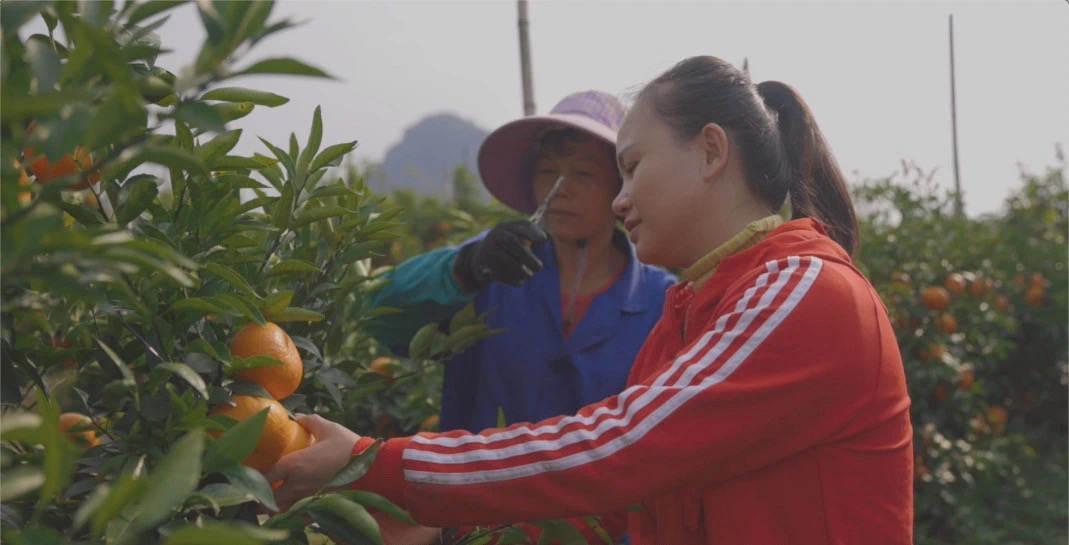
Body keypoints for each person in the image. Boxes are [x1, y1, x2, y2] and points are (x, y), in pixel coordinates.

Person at [269, 56, 914, 544]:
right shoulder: (690, 311)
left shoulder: (798, 289)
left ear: (712, 152)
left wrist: (375, 467)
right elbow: (627, 500)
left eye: (626, 169)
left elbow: (617, 450)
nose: (618, 198)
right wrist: (441, 521)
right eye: (554, 172)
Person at [362, 90, 675, 541]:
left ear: (619, 188)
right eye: (548, 172)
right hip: (480, 529)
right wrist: (465, 268)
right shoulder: (492, 270)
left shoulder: (659, 302)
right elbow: (377, 313)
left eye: (583, 174)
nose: (560, 190)